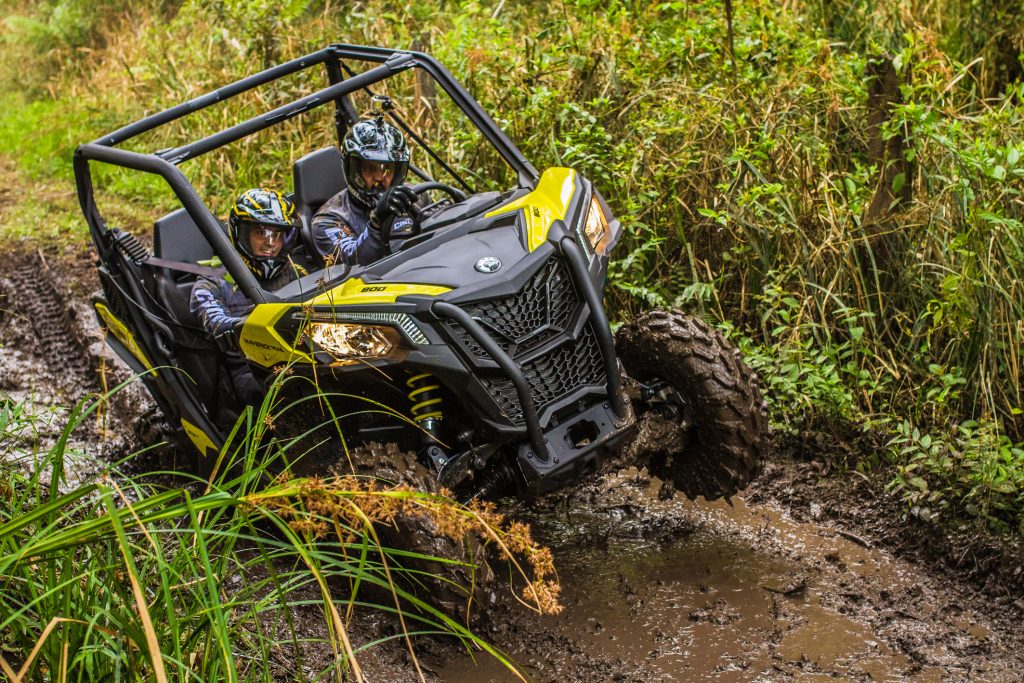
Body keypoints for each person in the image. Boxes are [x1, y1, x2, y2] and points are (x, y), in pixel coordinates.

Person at [190, 188, 304, 406]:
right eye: (262, 232)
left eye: (277, 234)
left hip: (298, 358)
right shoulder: (211, 281)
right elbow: (213, 318)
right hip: (248, 369)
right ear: (241, 233)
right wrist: (240, 326)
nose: (271, 243)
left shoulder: (295, 271)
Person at [311, 116, 418, 266]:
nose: (380, 177)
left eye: (388, 168)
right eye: (370, 168)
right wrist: (377, 222)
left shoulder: (414, 194)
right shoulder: (327, 220)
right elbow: (353, 261)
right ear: (354, 169)